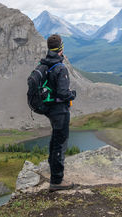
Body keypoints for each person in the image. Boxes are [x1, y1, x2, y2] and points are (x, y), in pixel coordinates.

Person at [40, 34, 76, 191]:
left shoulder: (45, 63)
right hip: (60, 110)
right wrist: (72, 94)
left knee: (55, 140)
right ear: (61, 48)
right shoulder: (60, 68)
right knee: (60, 143)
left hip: (50, 109)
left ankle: (53, 169)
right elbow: (62, 93)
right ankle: (57, 180)